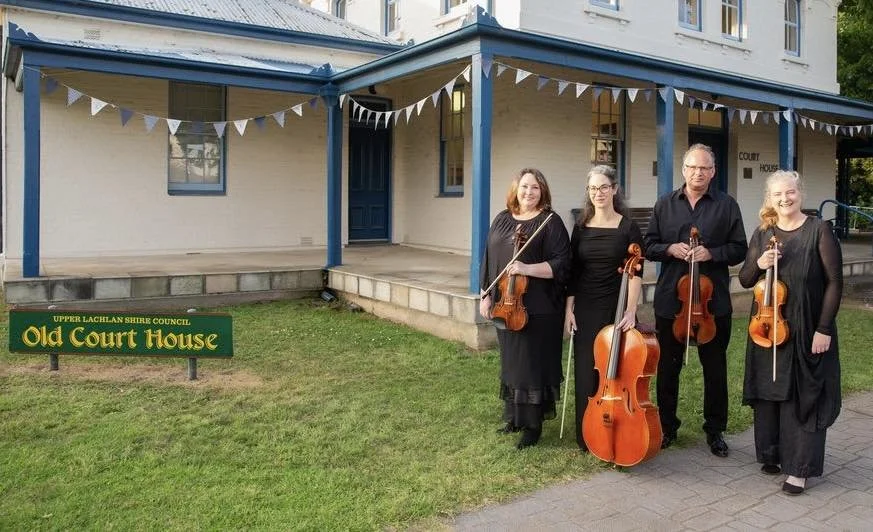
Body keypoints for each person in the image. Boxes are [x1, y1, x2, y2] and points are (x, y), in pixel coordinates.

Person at [738, 170, 842, 495]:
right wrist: (760, 262)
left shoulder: (819, 230)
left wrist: (823, 328)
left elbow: (835, 282)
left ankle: (799, 469)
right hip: (767, 326)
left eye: (790, 193)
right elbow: (744, 279)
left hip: (806, 326)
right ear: (770, 199)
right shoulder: (764, 232)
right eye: (778, 194)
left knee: (802, 396)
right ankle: (772, 454)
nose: (785, 199)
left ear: (801, 193)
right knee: (769, 392)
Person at [644, 143, 748, 457]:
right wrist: (669, 249)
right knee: (667, 368)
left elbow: (740, 248)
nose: (698, 173)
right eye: (692, 167)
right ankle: (667, 427)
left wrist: (712, 253)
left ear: (713, 172)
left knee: (714, 369)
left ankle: (715, 431)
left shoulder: (727, 205)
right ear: (684, 169)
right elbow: (649, 244)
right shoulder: (665, 204)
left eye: (704, 168)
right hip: (671, 301)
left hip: (712, 303)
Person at [479, 168, 571, 450]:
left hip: (538, 309)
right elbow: (489, 258)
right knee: (512, 363)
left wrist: (527, 268)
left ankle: (533, 425)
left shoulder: (550, 223)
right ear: (515, 189)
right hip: (506, 304)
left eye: (534, 187)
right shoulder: (502, 219)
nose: (528, 192)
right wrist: (485, 294)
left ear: (542, 191)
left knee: (532, 366)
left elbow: (562, 264)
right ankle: (514, 418)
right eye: (524, 187)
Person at [564, 165, 643, 452]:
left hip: (615, 305)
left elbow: (636, 272)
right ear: (589, 193)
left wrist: (630, 310)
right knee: (587, 369)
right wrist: (569, 309)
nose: (598, 193)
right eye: (593, 189)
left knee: (616, 370)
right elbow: (573, 271)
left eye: (603, 187)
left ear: (614, 190)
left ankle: (617, 424)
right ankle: (587, 432)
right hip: (585, 305)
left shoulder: (628, 227)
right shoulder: (581, 225)